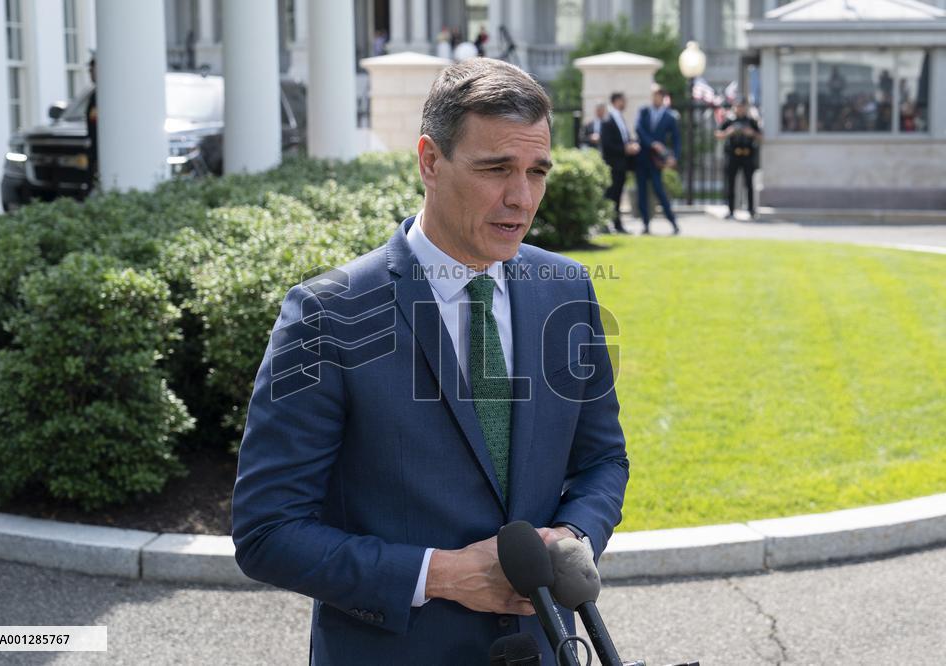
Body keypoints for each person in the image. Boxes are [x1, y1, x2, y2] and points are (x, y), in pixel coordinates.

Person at [232, 58, 629, 665]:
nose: (521, 198)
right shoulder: (326, 314)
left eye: (536, 171)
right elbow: (267, 531)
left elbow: (602, 459)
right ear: (429, 161)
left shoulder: (567, 289)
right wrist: (439, 575)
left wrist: (573, 537)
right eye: (496, 168)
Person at [634, 84, 680, 235]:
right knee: (642, 193)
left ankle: (673, 222)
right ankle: (646, 224)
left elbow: (676, 139)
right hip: (642, 159)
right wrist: (652, 144)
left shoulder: (669, 116)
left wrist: (674, 156)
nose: (655, 98)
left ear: (662, 97)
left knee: (659, 191)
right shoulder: (644, 111)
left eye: (657, 95)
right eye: (653, 95)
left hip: (656, 161)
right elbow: (638, 129)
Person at [715, 97, 762, 219]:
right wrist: (728, 132)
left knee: (749, 184)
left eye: (742, 106)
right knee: (730, 183)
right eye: (738, 106)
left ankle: (751, 210)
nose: (740, 109)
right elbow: (718, 134)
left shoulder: (751, 121)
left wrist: (751, 133)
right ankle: (730, 210)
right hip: (733, 155)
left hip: (747, 155)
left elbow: (761, 136)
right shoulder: (729, 121)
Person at [600, 92, 640, 234]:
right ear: (616, 101)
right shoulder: (608, 119)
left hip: (621, 166)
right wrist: (625, 149)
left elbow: (623, 138)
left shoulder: (619, 118)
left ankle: (617, 224)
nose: (625, 104)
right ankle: (604, 224)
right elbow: (607, 144)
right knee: (610, 196)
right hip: (613, 165)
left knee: (617, 196)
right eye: (623, 101)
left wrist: (631, 145)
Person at [85, 56, 99, 192]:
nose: (90, 73)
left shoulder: (106, 95)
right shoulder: (94, 94)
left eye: (92, 69)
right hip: (93, 153)